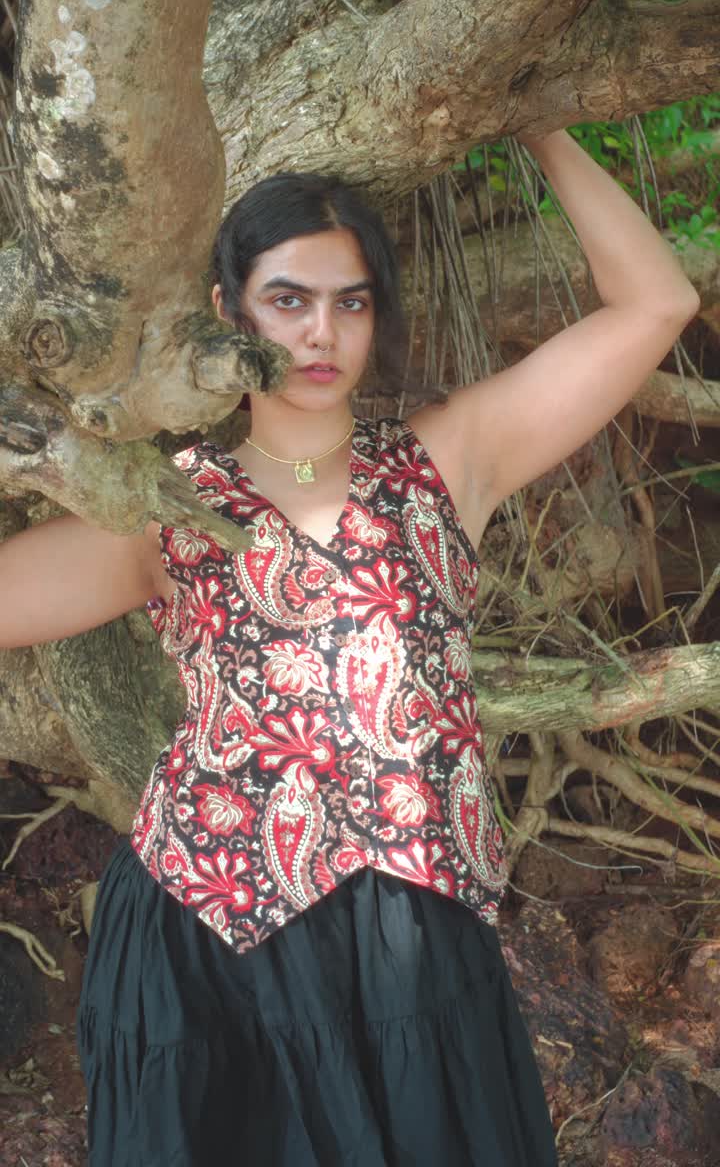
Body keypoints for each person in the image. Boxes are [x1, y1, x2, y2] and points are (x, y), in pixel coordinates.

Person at [0, 129, 699, 1166]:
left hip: (417, 948)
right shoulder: (165, 507)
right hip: (213, 947)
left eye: (352, 300)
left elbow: (657, 305)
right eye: (288, 299)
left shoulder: (449, 459)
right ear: (227, 310)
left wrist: (542, 126)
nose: (322, 331)